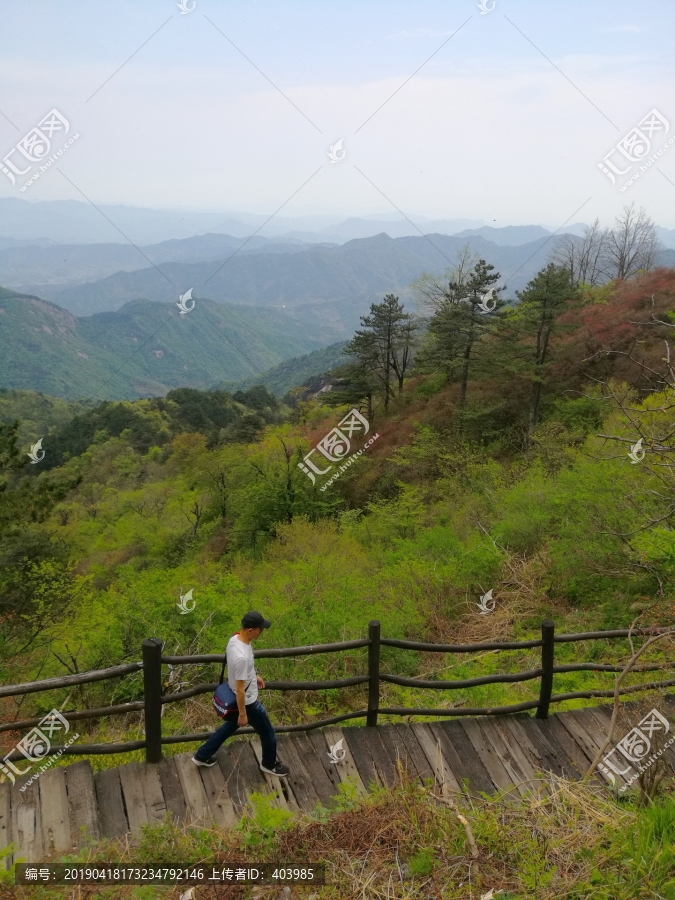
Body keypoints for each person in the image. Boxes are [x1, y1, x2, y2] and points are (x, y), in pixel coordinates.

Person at [191, 611, 290, 777]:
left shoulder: (235, 639)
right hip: (248, 702)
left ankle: (202, 755)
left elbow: (240, 671)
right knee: (268, 732)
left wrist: (253, 675)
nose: (262, 632)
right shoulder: (242, 657)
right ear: (250, 630)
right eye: (260, 629)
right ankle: (269, 763)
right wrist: (243, 714)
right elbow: (240, 689)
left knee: (229, 726)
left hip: (236, 694)